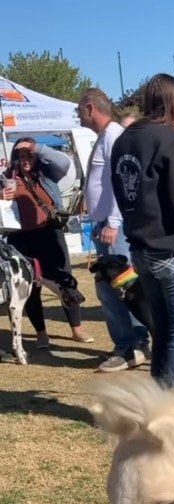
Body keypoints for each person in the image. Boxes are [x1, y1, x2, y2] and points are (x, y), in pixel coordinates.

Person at [111, 73, 174, 386]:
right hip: (173, 249)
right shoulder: (172, 139)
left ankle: (158, 406)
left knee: (164, 333)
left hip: (141, 248)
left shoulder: (124, 139)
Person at [77, 88, 150, 372]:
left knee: (119, 289)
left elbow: (124, 181)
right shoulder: (105, 137)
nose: (78, 115)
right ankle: (131, 343)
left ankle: (130, 346)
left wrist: (113, 222)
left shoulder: (114, 136)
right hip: (105, 226)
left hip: (113, 229)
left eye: (79, 109)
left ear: (91, 108)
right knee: (113, 289)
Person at [2, 137, 94, 348]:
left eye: (30, 155)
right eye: (21, 156)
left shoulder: (47, 174)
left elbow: (64, 163)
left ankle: (76, 329)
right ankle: (41, 334)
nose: (25, 160)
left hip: (50, 233)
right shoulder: (7, 178)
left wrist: (37, 147)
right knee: (31, 285)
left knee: (65, 280)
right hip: (20, 238)